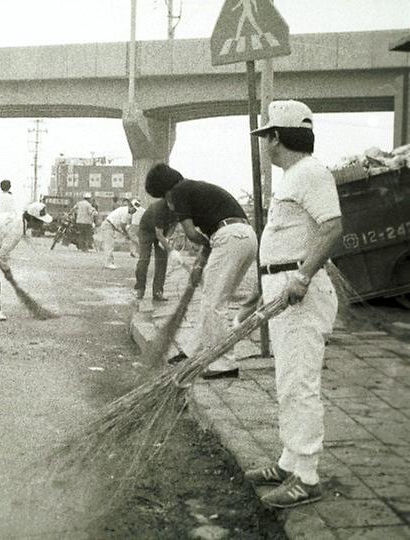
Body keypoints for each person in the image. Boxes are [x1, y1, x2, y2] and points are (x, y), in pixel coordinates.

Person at [243, 100, 343, 509]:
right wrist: (259, 289)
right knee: (288, 380)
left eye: (266, 136)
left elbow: (332, 226)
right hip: (281, 285)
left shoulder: (311, 173)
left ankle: (307, 476)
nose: (264, 144)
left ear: (277, 138)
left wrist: (300, 277)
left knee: (300, 384)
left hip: (298, 289)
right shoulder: (294, 177)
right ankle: (288, 461)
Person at [146, 163, 257, 379]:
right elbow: (209, 237)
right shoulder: (193, 188)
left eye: (163, 197)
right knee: (213, 299)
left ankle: (225, 365)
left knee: (213, 304)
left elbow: (192, 234)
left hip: (229, 237)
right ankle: (191, 352)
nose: (167, 204)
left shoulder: (177, 192)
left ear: (165, 190)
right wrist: (199, 265)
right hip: (245, 237)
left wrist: (203, 252)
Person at [0, 201, 52, 320]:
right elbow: (2, 254)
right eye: (41, 221)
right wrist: (7, 270)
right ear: (33, 219)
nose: (42, 224)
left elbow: (24, 238)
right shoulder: (17, 229)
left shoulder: (20, 218)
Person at [134, 198, 180, 301]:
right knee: (144, 259)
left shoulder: (179, 207)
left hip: (163, 231)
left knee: (162, 261)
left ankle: (158, 292)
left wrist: (167, 238)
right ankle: (139, 289)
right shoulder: (158, 207)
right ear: (168, 202)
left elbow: (173, 224)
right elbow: (158, 234)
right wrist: (171, 250)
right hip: (146, 230)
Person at [99, 198, 141, 269]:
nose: (134, 211)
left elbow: (125, 226)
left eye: (136, 210)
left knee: (110, 244)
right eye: (134, 209)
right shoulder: (125, 211)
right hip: (108, 225)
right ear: (130, 206)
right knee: (109, 245)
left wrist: (126, 233)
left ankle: (110, 262)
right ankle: (107, 263)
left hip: (111, 226)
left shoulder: (128, 213)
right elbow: (122, 225)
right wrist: (125, 234)